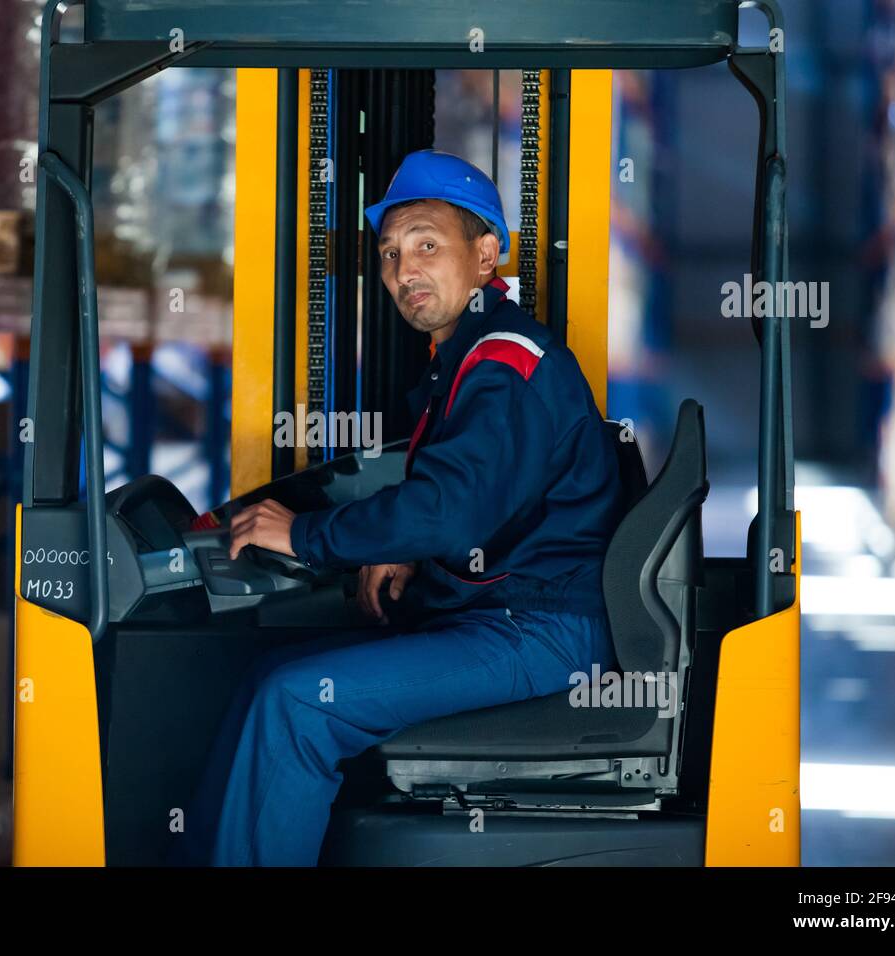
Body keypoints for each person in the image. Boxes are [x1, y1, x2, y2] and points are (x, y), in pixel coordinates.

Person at [177, 149, 624, 866]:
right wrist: (402, 543)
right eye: (389, 254)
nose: (402, 270)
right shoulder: (469, 359)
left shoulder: (503, 361)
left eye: (425, 244)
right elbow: (476, 497)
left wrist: (307, 535)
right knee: (268, 675)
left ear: (485, 256)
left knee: (298, 704)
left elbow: (451, 510)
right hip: (513, 614)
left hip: (540, 630)